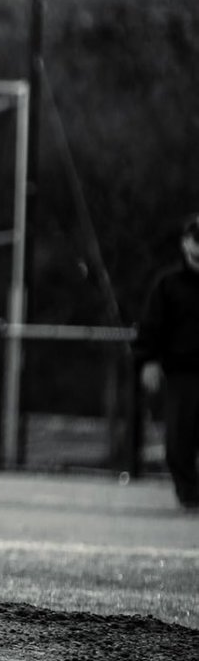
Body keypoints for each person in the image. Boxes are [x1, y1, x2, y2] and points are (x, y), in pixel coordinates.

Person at [135, 212, 199, 511]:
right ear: (185, 244)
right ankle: (189, 495)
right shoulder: (169, 284)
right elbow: (151, 326)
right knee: (179, 439)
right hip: (182, 374)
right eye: (195, 240)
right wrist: (148, 360)